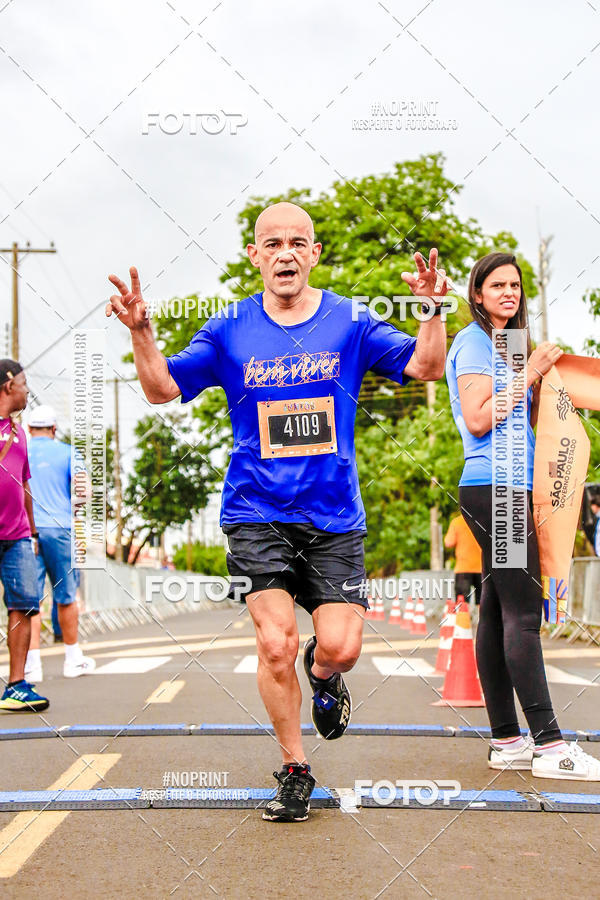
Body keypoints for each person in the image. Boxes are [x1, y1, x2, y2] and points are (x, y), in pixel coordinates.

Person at [106, 202, 448, 821]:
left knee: (341, 648)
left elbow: (425, 366)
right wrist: (140, 332)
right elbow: (161, 389)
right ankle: (295, 768)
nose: (286, 252)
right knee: (273, 645)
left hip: (332, 516)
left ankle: (325, 678)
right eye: (273, 243)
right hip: (255, 511)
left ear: (314, 253)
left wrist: (430, 309)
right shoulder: (229, 328)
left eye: (298, 242)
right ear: (254, 256)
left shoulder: (350, 320)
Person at [446, 251, 600, 780]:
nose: (508, 293)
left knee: (495, 610)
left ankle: (508, 739)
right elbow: (479, 418)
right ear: (478, 294)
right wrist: (531, 370)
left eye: (514, 286)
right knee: (522, 614)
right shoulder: (472, 342)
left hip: (510, 487)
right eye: (496, 286)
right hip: (498, 489)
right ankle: (551, 745)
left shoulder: (507, 344)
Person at [26, 404, 95, 680]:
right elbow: (84, 491)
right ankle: (72, 659)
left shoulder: (20, 450)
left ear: (30, 430)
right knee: (66, 596)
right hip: (60, 528)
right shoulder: (68, 452)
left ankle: (32, 665)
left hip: (26, 531)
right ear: (54, 429)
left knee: (28, 600)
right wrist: (73, 508)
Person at [0, 360, 49, 712]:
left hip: (16, 535)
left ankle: (16, 685)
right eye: (23, 382)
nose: (27, 389)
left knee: (24, 604)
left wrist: (31, 531)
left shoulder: (20, 433)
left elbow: (25, 484)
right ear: (7, 385)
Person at [444, 512, 482, 610]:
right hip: (481, 568)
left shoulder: (457, 522)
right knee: (482, 600)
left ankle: (463, 623)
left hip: (463, 568)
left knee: (462, 600)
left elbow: (449, 542)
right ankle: (481, 623)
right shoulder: (481, 520)